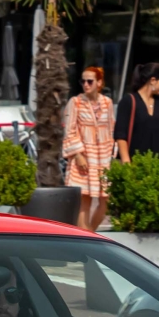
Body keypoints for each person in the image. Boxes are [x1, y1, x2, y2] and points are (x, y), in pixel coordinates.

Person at [62, 65, 115, 230]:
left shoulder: (108, 102)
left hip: (103, 158)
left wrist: (112, 155)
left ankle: (90, 233)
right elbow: (69, 130)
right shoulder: (75, 102)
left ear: (99, 82)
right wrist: (78, 155)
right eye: (83, 81)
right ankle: (85, 237)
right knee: (84, 201)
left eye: (90, 81)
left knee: (105, 201)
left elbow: (111, 128)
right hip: (83, 157)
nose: (86, 84)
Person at [113, 62, 159, 161]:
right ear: (153, 80)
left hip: (158, 167)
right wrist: (127, 164)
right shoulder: (128, 101)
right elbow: (121, 136)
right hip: (135, 166)